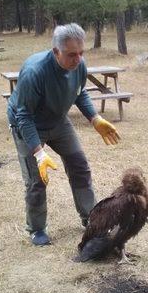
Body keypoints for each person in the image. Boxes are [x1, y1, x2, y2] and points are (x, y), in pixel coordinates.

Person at [7, 23, 121, 246]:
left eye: (81, 53)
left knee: (79, 165)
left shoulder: (78, 64)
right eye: (71, 55)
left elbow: (80, 93)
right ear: (55, 52)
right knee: (37, 179)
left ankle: (91, 218)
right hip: (28, 125)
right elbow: (23, 116)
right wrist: (39, 153)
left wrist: (94, 118)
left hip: (57, 120)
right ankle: (37, 228)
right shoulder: (35, 72)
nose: (77, 59)